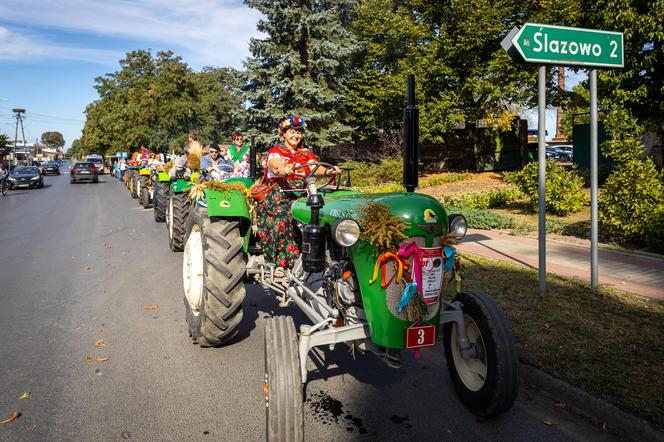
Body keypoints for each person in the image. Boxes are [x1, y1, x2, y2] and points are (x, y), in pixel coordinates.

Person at [256, 116, 340, 276]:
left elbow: (317, 169)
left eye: (299, 132)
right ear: (284, 134)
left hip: (301, 194)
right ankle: (281, 263)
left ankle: (324, 257)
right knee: (283, 216)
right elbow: (275, 166)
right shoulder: (276, 152)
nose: (296, 135)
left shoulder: (306, 153)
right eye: (292, 132)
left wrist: (330, 171)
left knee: (320, 214)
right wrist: (283, 169)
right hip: (279, 193)